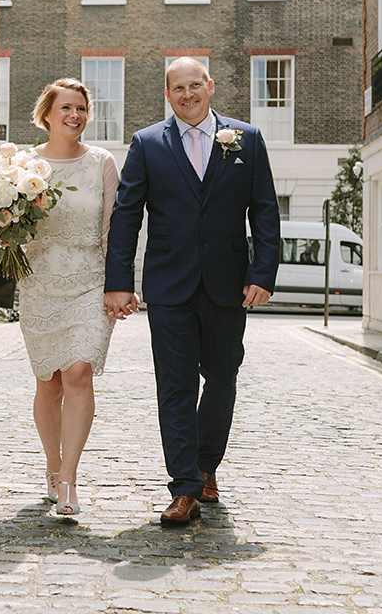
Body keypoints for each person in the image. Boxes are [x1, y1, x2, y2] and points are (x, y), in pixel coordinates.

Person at [103, 57, 281, 526]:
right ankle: (184, 486)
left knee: (222, 378)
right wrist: (119, 281)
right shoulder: (146, 144)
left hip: (228, 284)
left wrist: (263, 273)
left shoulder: (247, 139)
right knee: (176, 386)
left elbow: (264, 211)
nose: (187, 94)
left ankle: (207, 466)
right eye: (178, 88)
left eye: (195, 85)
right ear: (168, 94)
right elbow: (126, 217)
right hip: (169, 284)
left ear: (210, 86)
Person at [19, 78, 119, 517]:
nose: (75, 116)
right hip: (39, 283)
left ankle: (69, 480)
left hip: (89, 281)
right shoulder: (24, 166)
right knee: (49, 382)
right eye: (66, 108)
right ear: (47, 115)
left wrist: (121, 285)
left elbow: (117, 228)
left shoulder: (102, 163)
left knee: (78, 372)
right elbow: (7, 227)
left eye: (81, 108)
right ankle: (52, 465)